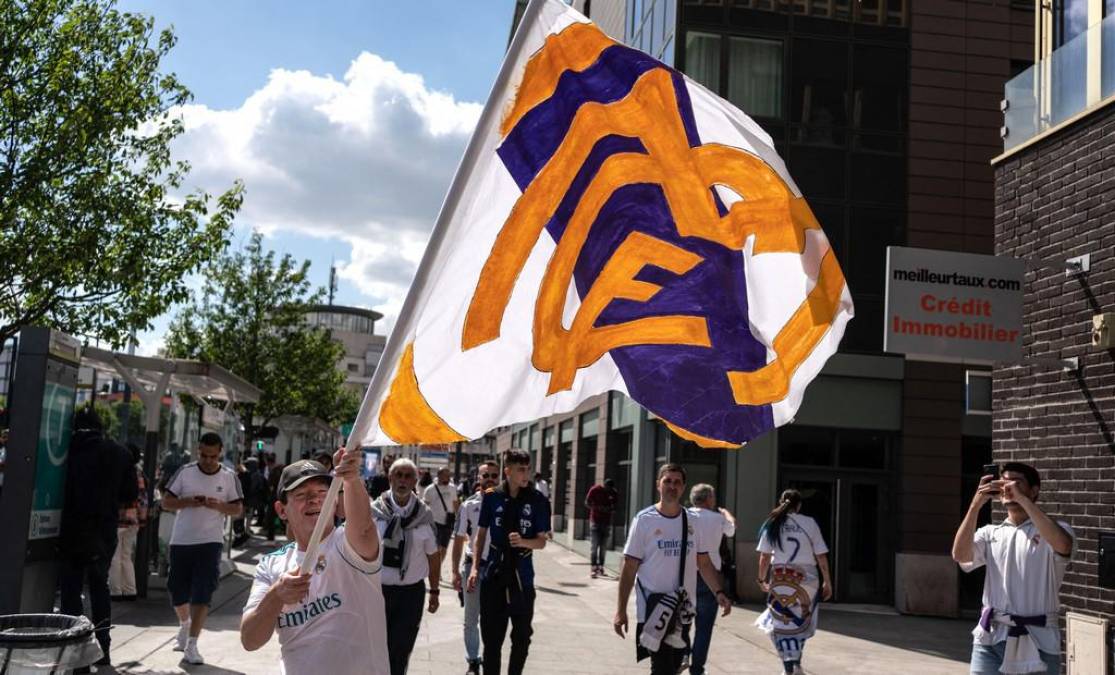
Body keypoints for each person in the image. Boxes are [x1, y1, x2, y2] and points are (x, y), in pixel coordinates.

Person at [241, 453, 388, 674]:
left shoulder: (347, 543)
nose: (315, 499)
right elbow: (250, 640)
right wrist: (276, 596)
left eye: (322, 493)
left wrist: (351, 478)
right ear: (282, 510)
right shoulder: (270, 566)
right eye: (301, 494)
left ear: (335, 500)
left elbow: (365, 529)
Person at [952, 462, 1073, 675]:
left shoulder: (1054, 530)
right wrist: (975, 505)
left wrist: (1023, 500)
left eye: (1016, 482)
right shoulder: (991, 533)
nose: (1009, 487)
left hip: (1039, 641)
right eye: (1005, 481)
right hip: (990, 638)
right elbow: (960, 555)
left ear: (1034, 491)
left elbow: (1064, 545)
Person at [614, 464, 731, 675]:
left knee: (674, 666)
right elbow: (630, 567)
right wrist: (620, 610)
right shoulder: (644, 520)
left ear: (683, 487)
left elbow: (703, 563)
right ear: (658, 484)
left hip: (682, 610)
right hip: (654, 608)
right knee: (662, 668)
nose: (672, 486)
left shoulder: (693, 521)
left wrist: (719, 592)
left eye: (677, 482)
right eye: (667, 481)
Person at [58, 405, 138, 668]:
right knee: (99, 587)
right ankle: (103, 648)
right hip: (103, 529)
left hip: (71, 526)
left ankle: (76, 651)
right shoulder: (120, 453)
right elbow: (129, 496)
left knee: (71, 591)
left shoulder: (66, 448)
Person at [161, 432, 244, 665]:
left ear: (220, 454)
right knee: (176, 590)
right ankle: (185, 625)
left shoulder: (229, 477)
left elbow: (237, 510)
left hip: (210, 542)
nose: (208, 460)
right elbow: (166, 501)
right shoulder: (185, 472)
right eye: (204, 455)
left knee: (202, 594)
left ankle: (192, 644)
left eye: (212, 456)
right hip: (182, 540)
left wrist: (219, 505)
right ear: (198, 451)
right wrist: (188, 502)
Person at [467, 449, 551, 675]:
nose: (526, 474)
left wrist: (524, 541)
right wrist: (475, 568)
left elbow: (542, 542)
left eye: (528, 469)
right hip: (494, 573)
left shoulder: (537, 500)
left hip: (522, 577)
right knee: (492, 639)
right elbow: (481, 535)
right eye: (520, 469)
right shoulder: (492, 496)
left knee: (522, 637)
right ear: (508, 471)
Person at [371, 458, 440, 675]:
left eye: (407, 476)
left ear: (415, 481)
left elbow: (433, 556)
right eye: (398, 475)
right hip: (377, 591)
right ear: (390, 478)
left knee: (400, 650)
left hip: (410, 594)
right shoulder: (374, 511)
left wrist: (435, 591)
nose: (402, 480)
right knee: (374, 649)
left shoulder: (424, 515)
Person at [754, 489, 831, 675]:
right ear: (799, 505)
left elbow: (764, 556)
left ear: (781, 501)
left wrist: (761, 578)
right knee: (801, 622)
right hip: (808, 577)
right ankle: (795, 664)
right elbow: (821, 555)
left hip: (781, 576)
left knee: (781, 622)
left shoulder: (773, 522)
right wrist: (827, 580)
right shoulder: (810, 522)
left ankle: (790, 668)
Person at [452, 460, 500, 675]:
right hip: (473, 567)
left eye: (494, 475)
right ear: (478, 479)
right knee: (471, 619)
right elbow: (459, 538)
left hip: (497, 570)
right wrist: (454, 571)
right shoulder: (468, 506)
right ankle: (473, 660)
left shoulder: (506, 504)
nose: (490, 478)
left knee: (493, 618)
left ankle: (490, 659)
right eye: (485, 475)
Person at [685, 484, 736, 675]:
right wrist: (727, 514)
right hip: (711, 574)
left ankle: (682, 654)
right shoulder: (717, 518)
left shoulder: (684, 515)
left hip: (687, 572)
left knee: (683, 621)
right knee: (704, 627)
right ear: (708, 499)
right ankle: (697, 669)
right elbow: (731, 531)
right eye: (713, 497)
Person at [109, 443, 148, 599]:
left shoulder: (117, 470)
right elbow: (143, 499)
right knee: (126, 555)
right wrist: (142, 519)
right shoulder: (139, 473)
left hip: (118, 519)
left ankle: (115, 590)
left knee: (115, 556)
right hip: (133, 520)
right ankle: (130, 589)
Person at [423, 466, 459, 579]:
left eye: (449, 475)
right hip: (434, 522)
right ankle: (434, 570)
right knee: (436, 548)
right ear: (439, 475)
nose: (448, 477)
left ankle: (437, 568)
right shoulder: (430, 489)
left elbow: (455, 503)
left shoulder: (452, 488)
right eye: (446, 475)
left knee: (444, 548)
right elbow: (425, 506)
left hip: (448, 522)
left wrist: (459, 517)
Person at [585, 477, 619, 577]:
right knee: (594, 546)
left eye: (611, 489)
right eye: (608, 488)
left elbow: (615, 507)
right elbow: (587, 502)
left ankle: (601, 567)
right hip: (595, 521)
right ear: (604, 486)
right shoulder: (595, 490)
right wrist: (597, 508)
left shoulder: (613, 493)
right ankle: (593, 568)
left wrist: (610, 509)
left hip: (606, 522)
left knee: (603, 547)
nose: (609, 491)